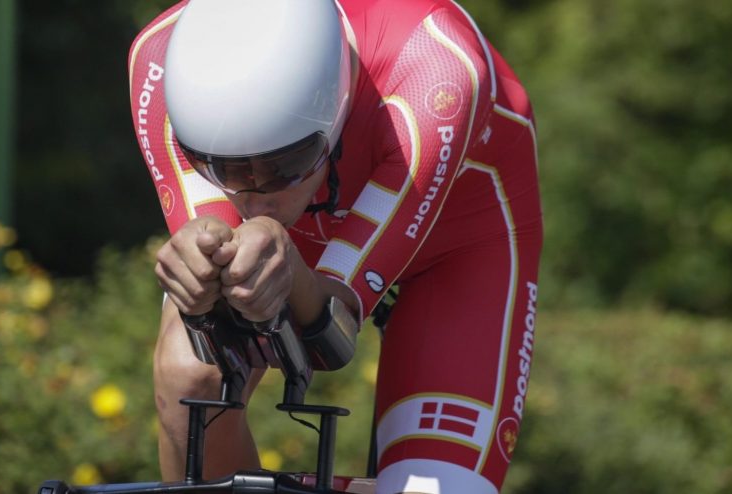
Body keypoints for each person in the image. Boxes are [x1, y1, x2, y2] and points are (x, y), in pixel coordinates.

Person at [127, 0, 541, 492]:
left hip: (454, 241)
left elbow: (332, 336)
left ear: (337, 102)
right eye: (224, 169)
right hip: (300, 230)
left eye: (285, 164)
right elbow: (220, 322)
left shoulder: (438, 70)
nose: (258, 193)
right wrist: (201, 273)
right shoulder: (158, 55)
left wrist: (287, 264)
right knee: (187, 374)